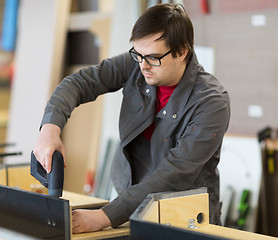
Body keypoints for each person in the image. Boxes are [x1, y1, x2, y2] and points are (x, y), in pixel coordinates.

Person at [33, 3, 230, 234]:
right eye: (138, 54)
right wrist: (49, 129)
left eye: (153, 58)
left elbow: (173, 173)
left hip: (182, 216)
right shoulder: (138, 63)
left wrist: (104, 216)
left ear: (182, 51)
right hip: (128, 203)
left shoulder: (211, 103)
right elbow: (78, 83)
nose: (143, 66)